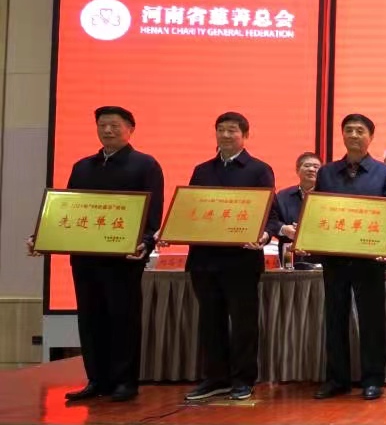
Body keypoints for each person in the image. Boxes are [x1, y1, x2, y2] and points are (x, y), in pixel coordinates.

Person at [27, 106, 164, 403]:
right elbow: (68, 210)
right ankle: (96, 380)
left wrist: (145, 243)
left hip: (123, 260)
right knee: (90, 319)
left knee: (122, 318)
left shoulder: (145, 165)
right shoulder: (82, 167)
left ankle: (125, 381)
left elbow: (152, 214)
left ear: (130, 129)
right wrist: (42, 236)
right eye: (102, 125)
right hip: (85, 258)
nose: (108, 130)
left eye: (114, 125)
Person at [180, 112, 278, 402]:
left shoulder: (259, 170)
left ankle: (243, 379)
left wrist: (264, 236)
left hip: (241, 260)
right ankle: (216, 378)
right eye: (220, 129)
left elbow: (270, 215)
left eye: (232, 130)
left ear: (245, 136)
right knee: (210, 321)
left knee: (243, 322)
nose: (225, 135)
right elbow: (191, 209)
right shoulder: (202, 170)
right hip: (204, 259)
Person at [307, 114, 386, 401]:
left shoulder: (384, 173)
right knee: (335, 318)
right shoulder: (327, 173)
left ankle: (373, 379)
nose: (354, 135)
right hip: (335, 258)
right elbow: (318, 210)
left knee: (371, 320)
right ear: (342, 135)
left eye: (360, 131)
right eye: (349, 130)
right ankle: (337, 379)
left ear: (370, 137)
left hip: (369, 258)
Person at [272, 152, 321, 269]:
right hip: (290, 256)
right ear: (297, 170)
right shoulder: (283, 196)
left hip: (321, 258)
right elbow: (271, 221)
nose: (311, 169)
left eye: (316, 167)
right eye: (307, 165)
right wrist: (284, 229)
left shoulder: (328, 196)